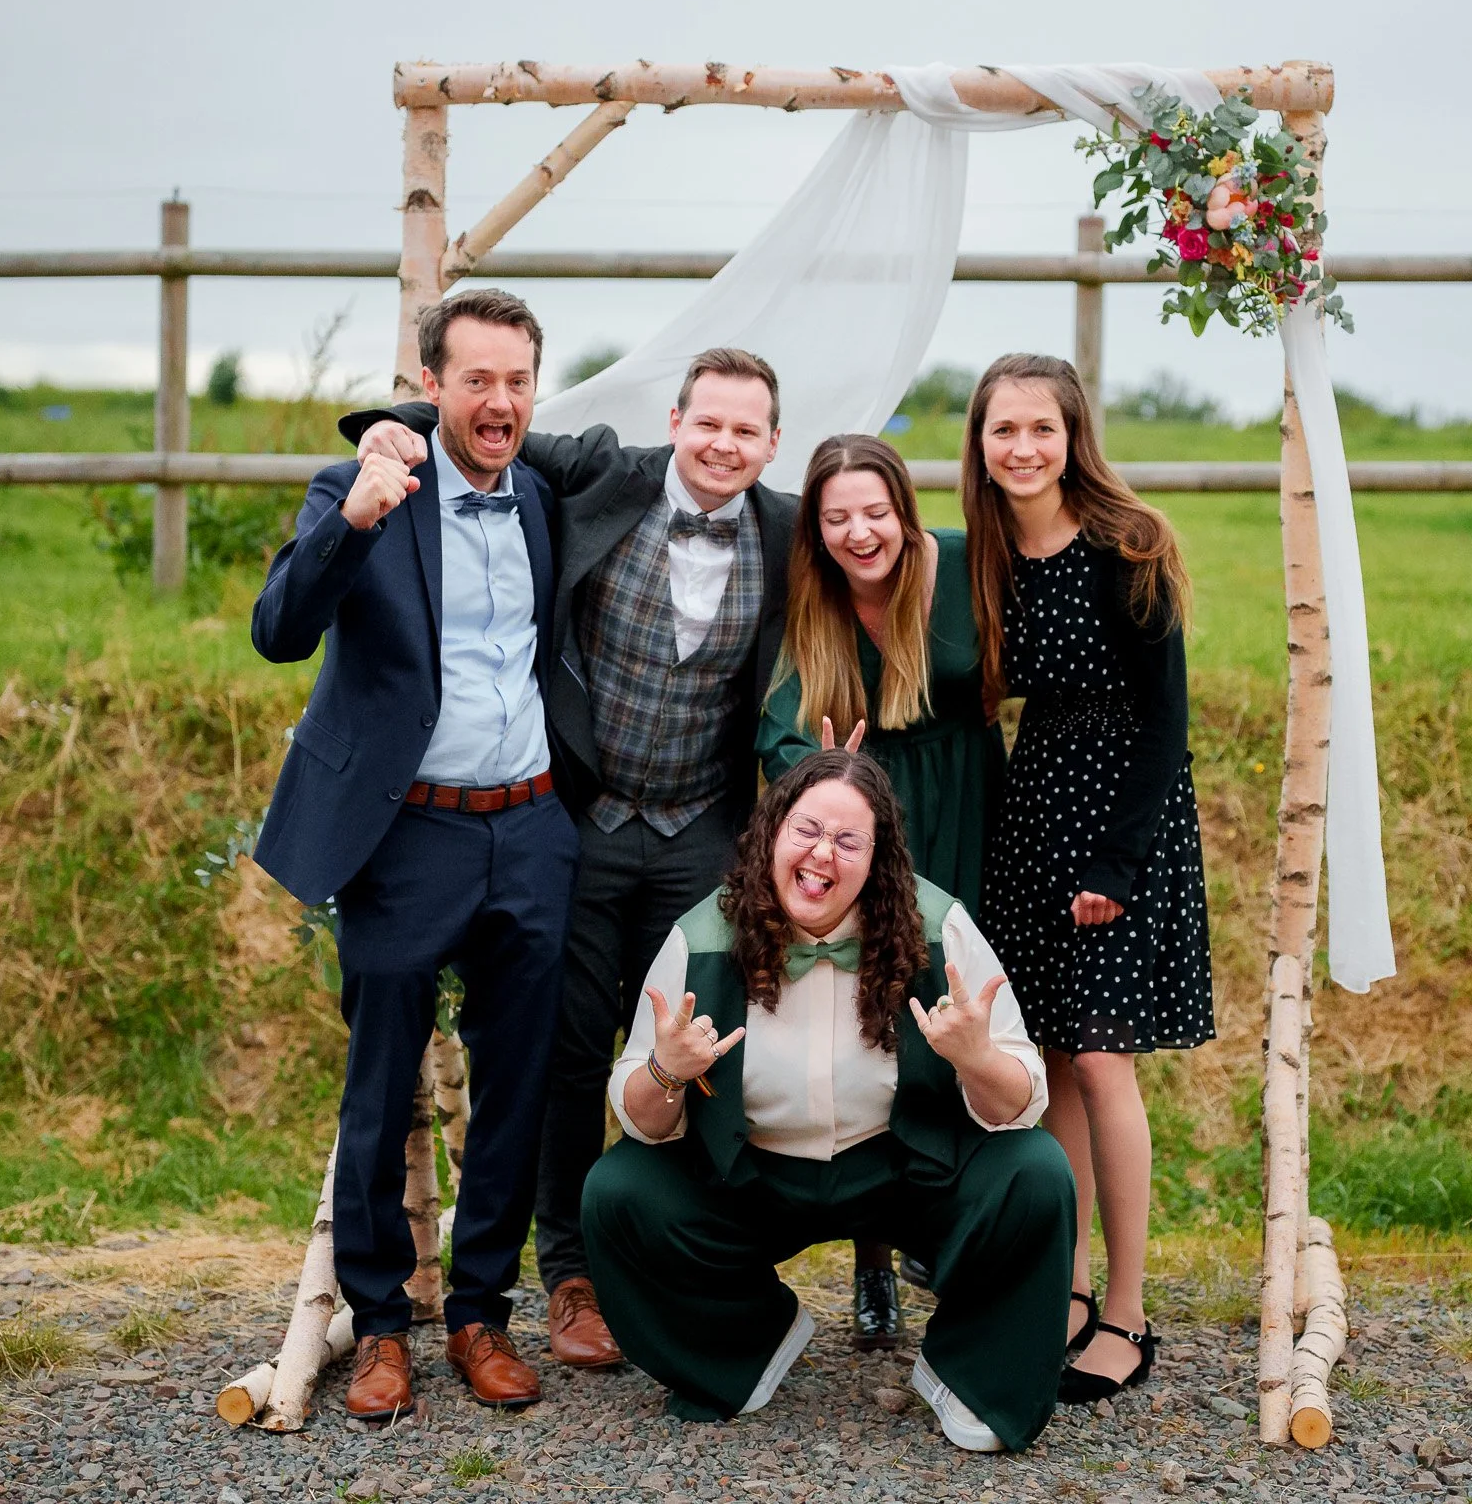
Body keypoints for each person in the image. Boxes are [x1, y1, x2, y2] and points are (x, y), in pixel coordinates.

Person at [344, 347, 794, 1374]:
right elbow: (480, 420)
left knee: (701, 1050)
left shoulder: (787, 524)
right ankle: (569, 1274)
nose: (723, 444)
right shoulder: (602, 471)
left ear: (772, 443)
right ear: (674, 420)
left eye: (746, 430)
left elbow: (887, 541)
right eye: (707, 421)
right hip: (584, 817)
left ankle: (687, 1263)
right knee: (565, 1051)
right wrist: (388, 427)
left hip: (703, 831)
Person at [250, 288, 577, 1418]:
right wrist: (357, 516)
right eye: (476, 379)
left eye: (517, 380)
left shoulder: (539, 496)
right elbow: (279, 629)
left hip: (531, 824)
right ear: (430, 383)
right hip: (409, 829)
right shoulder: (362, 486)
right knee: (381, 1078)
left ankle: (481, 1312)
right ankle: (382, 1322)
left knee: (517, 1078)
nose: (499, 402)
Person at [581, 749, 1075, 1452]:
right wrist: (666, 1069)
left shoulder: (939, 930)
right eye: (807, 829)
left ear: (878, 859)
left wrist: (978, 1059)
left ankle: (970, 1372)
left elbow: (1023, 1099)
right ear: (772, 833)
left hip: (906, 1168)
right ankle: (746, 1342)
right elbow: (639, 1119)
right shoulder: (700, 938)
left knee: (1036, 1170)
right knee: (619, 1188)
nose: (822, 854)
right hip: (753, 1175)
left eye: (848, 841)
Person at [962, 351, 1214, 1405]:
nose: (1022, 447)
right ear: (978, 443)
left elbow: (1166, 719)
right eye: (1002, 429)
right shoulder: (983, 556)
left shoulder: (1128, 545)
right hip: (1034, 808)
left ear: (1073, 437)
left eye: (1041, 428)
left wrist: (1120, 857)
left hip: (1121, 813)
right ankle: (1063, 1286)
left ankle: (1127, 1306)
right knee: (1054, 1055)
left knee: (1105, 1059)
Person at [755, 433, 1005, 1347]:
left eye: (875, 511)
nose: (860, 532)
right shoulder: (812, 611)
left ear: (904, 510)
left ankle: (958, 1242)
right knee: (875, 1020)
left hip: (968, 806)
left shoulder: (966, 565)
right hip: (869, 825)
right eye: (837, 518)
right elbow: (778, 735)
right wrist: (827, 775)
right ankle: (872, 1254)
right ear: (816, 532)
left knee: (959, 1016)